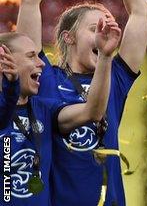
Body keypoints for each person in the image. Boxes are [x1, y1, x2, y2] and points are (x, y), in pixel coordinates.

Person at [15, 0, 147, 205]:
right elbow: (30, 3)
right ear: (69, 37)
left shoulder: (117, 77)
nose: (104, 34)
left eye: (107, 27)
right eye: (94, 28)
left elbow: (140, 12)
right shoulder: (45, 78)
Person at [0, 18, 120, 205]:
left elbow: (93, 111)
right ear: (4, 60)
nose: (41, 63)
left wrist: (104, 56)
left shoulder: (45, 110)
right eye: (31, 56)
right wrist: (10, 86)